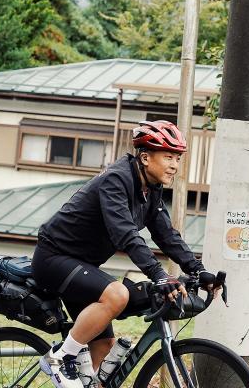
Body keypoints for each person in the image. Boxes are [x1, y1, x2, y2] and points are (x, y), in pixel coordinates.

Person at [32, 120, 211, 388]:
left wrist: (198, 269)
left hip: (82, 265)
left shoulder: (150, 190)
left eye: (177, 158)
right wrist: (159, 274)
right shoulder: (117, 180)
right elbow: (126, 234)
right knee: (118, 294)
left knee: (104, 348)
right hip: (54, 258)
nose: (175, 165)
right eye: (169, 157)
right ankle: (59, 358)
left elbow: (166, 235)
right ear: (146, 157)